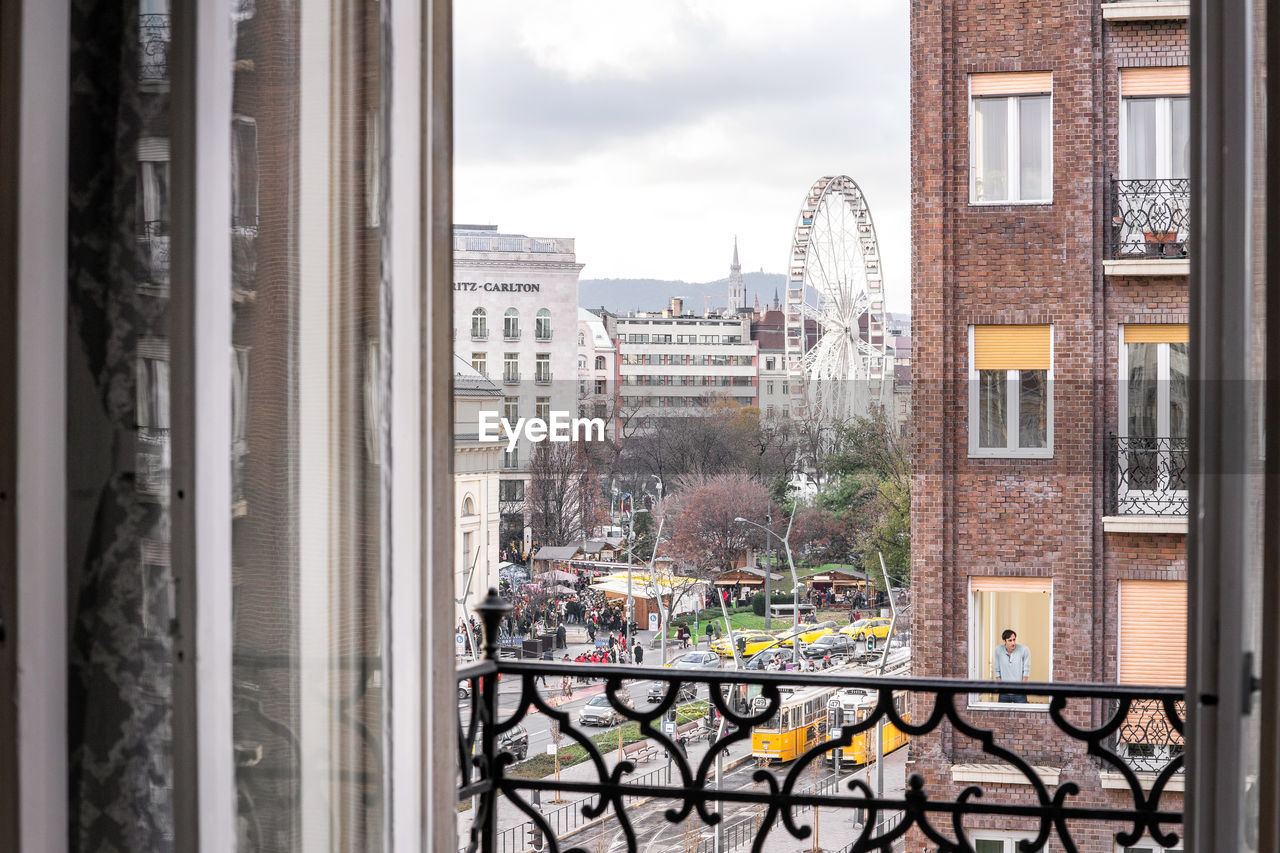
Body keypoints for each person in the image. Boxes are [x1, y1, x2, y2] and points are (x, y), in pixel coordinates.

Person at [993, 629, 1031, 703]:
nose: (1013, 643)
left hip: (1020, 693)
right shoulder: (998, 650)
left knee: (1022, 714)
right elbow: (997, 671)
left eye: (1014, 640)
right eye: (1010, 640)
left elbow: (1026, 671)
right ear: (1004, 641)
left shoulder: (1024, 650)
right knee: (1002, 714)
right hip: (1004, 693)